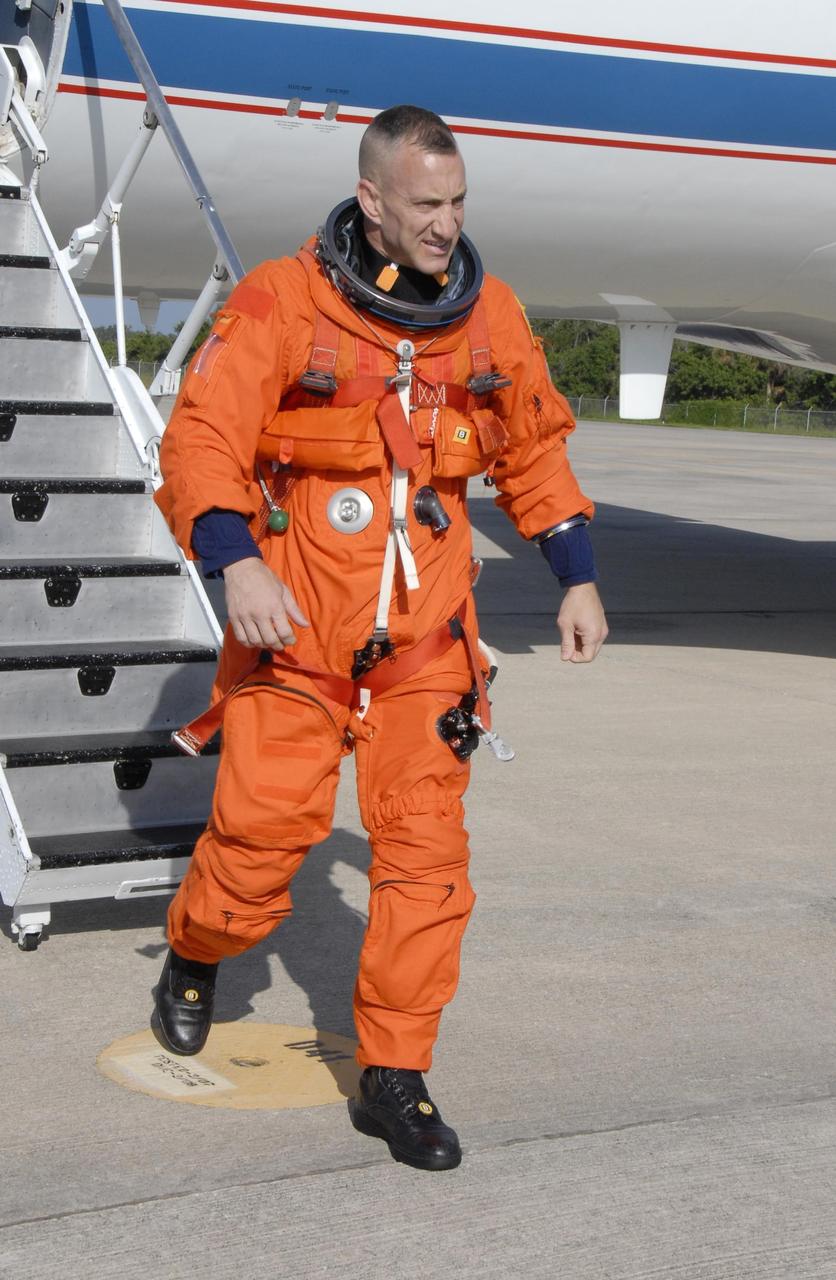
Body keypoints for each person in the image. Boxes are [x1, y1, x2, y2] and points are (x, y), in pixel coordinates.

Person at [153, 104, 608, 1171]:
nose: (445, 224)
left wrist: (576, 577)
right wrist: (238, 560)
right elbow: (202, 437)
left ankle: (392, 1076)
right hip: (296, 643)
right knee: (259, 848)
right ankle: (193, 949)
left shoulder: (487, 316)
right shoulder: (280, 299)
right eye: (424, 205)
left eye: (457, 204)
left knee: (425, 868)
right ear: (370, 201)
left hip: (421, 656)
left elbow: (532, 452)